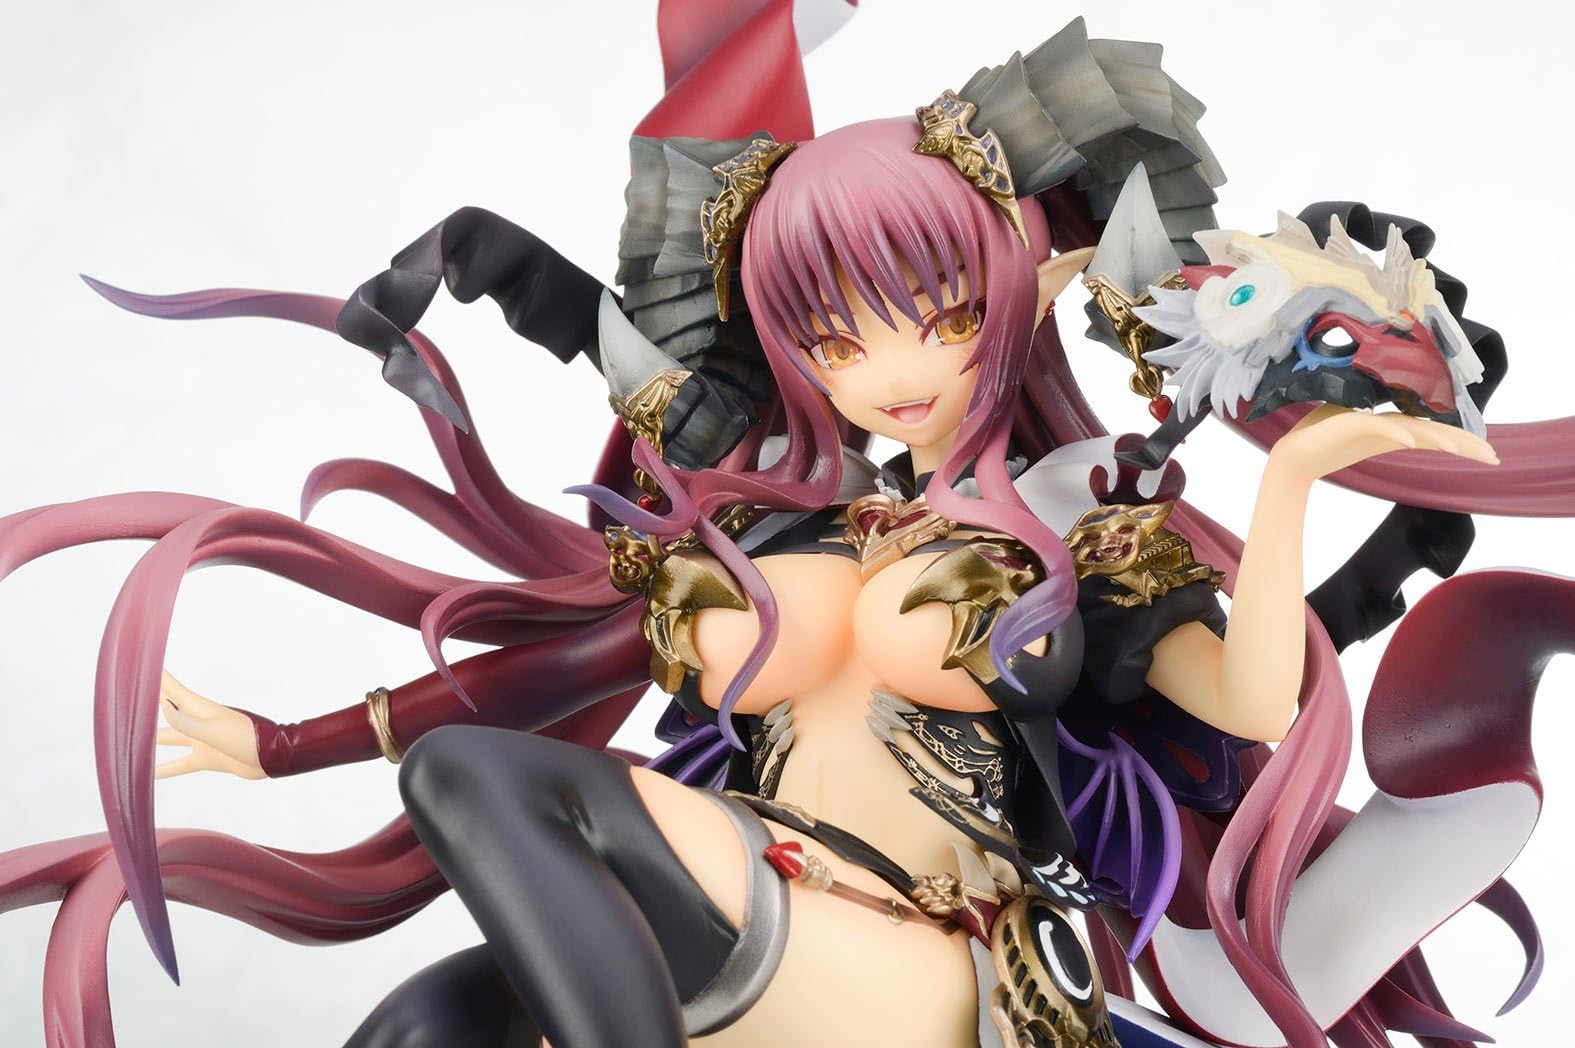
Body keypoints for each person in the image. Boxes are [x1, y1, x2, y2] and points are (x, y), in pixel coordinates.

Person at [3, 9, 1573, 1048]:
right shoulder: (780, 515)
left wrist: (1293, 488)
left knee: (482, 782)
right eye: (837, 335)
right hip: (755, 882)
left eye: (935, 311)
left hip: (933, 950)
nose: (894, 369)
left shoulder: (1082, 535)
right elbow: (561, 656)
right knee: (431, 1024)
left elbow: (1247, 702)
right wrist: (280, 747)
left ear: (1010, 290)